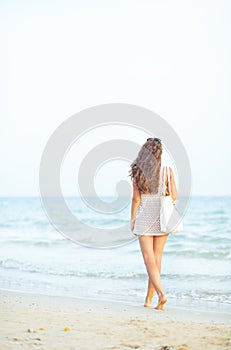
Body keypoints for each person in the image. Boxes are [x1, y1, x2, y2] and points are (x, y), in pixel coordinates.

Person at [129, 138, 178, 310]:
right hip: (162, 219)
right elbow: (174, 196)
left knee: (149, 261)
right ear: (160, 154)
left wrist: (132, 220)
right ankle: (149, 301)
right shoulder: (167, 171)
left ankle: (161, 295)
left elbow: (136, 199)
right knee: (156, 260)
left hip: (144, 220)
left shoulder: (138, 172)